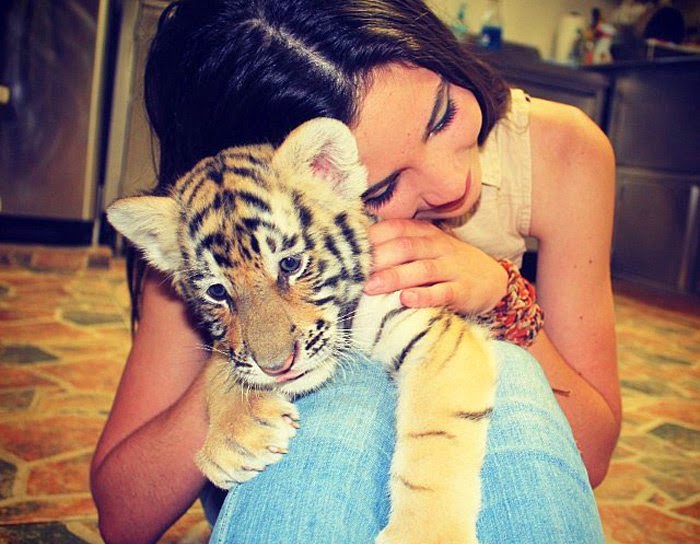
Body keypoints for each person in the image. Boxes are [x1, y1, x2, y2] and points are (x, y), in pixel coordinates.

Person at [90, 1, 621, 542]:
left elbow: (594, 453)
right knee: (352, 381)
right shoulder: (214, 225)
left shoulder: (563, 150)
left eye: (442, 114)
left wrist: (502, 298)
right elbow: (123, 518)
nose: (448, 184)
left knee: (503, 367)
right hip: (307, 478)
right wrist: (233, 380)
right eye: (380, 189)